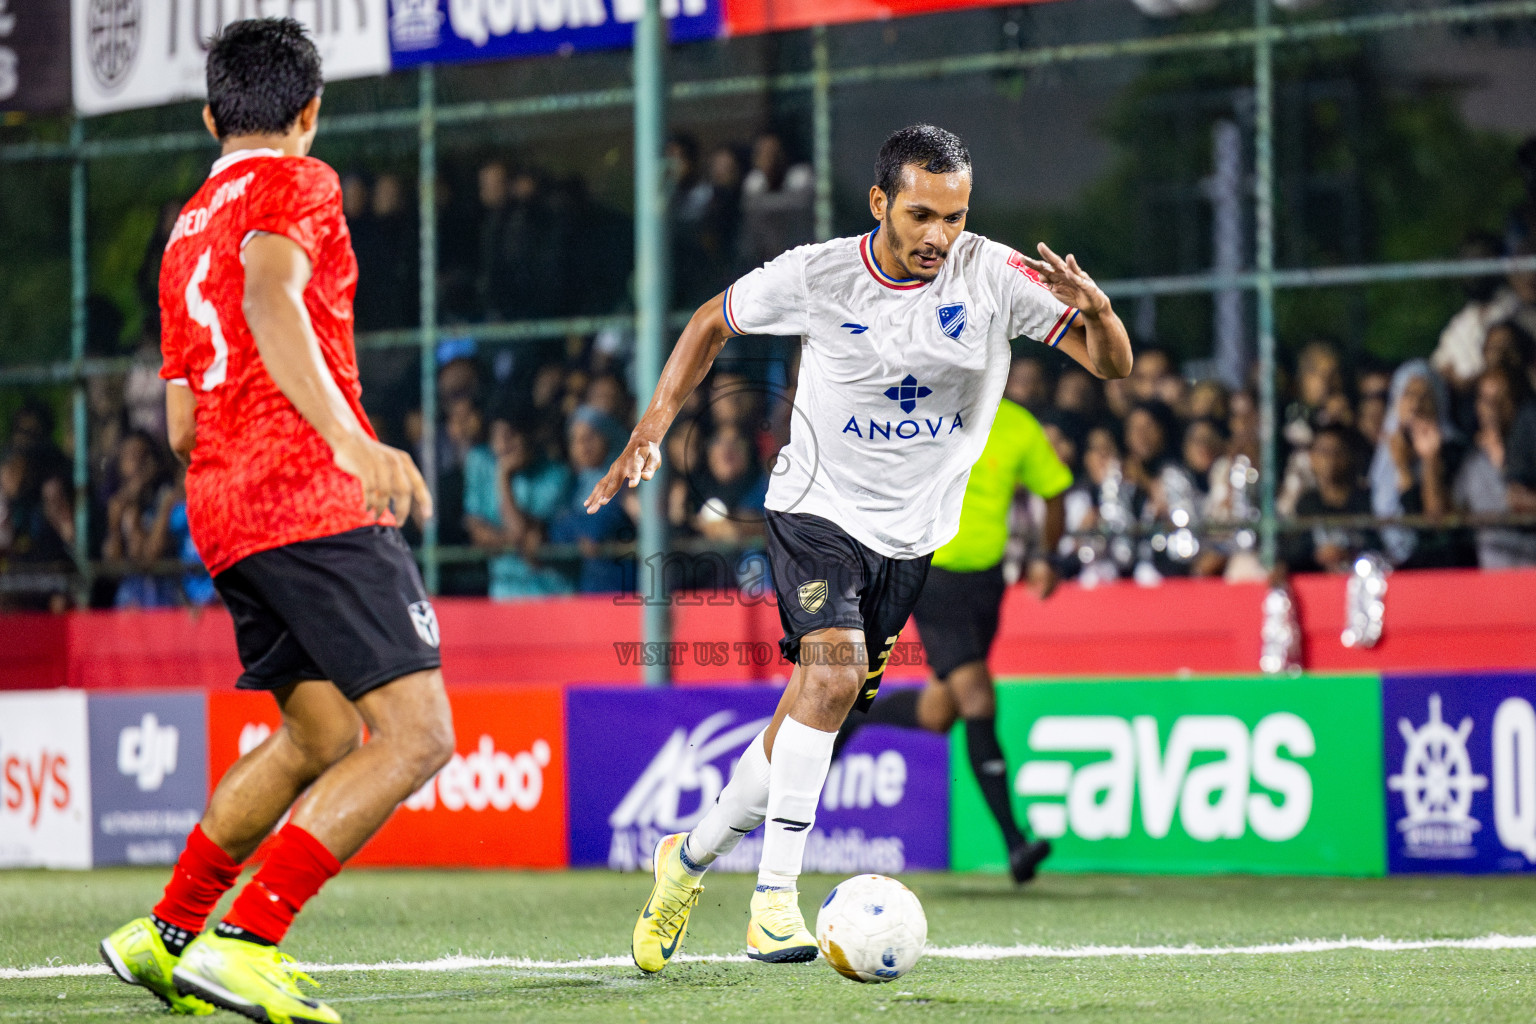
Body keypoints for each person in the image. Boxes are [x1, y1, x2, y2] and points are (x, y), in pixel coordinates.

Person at [584, 124, 1131, 973]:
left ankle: (687, 858)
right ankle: (773, 900)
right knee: (833, 675)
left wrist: (1097, 310)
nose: (939, 237)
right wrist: (651, 427)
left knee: (810, 719)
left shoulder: (993, 275)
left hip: (911, 544)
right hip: (815, 510)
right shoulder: (819, 273)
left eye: (954, 216)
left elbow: (1112, 366)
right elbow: (708, 322)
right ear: (880, 203)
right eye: (920, 215)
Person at [99, 21, 451, 1024]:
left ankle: (166, 934)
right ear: (309, 112)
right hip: (308, 500)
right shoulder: (301, 181)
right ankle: (248, 939)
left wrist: (240, 466)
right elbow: (270, 293)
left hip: (219, 509)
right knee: (419, 735)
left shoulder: (180, 233)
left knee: (319, 732)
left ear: (211, 117)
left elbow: (175, 421)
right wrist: (348, 442)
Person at [831, 397, 1070, 883]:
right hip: (929, 574)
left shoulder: (1017, 424)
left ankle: (856, 714)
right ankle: (1015, 843)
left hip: (986, 584)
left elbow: (1056, 491)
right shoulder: (919, 410)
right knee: (978, 696)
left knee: (943, 712)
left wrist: (1047, 556)